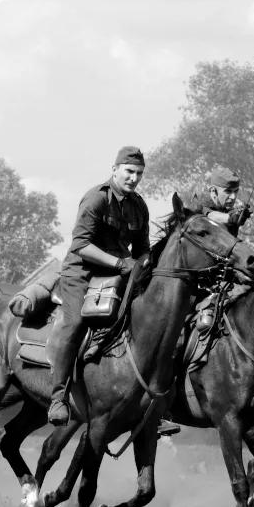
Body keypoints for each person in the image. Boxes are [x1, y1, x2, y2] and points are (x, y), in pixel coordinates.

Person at [47, 146, 150, 426]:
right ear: (114, 169)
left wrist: (144, 265)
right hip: (81, 273)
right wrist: (120, 263)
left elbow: (142, 250)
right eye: (129, 171)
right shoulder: (96, 199)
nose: (133, 178)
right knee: (76, 323)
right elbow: (80, 245)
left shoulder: (139, 205)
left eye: (139, 173)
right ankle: (58, 397)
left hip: (118, 275)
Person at [188, 166, 252, 237]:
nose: (233, 197)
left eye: (236, 191)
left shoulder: (227, 209)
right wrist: (230, 218)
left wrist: (238, 215)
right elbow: (210, 216)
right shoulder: (199, 204)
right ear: (213, 191)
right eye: (228, 191)